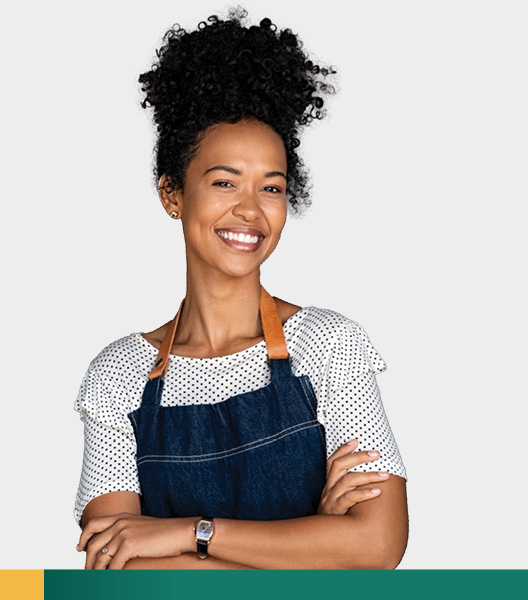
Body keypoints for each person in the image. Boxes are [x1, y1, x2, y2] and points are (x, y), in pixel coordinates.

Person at [73, 6, 408, 569]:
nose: (250, 210)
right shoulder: (119, 376)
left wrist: (187, 534)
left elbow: (377, 544)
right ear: (172, 194)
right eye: (224, 181)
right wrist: (318, 543)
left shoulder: (330, 346)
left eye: (271, 187)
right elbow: (120, 566)